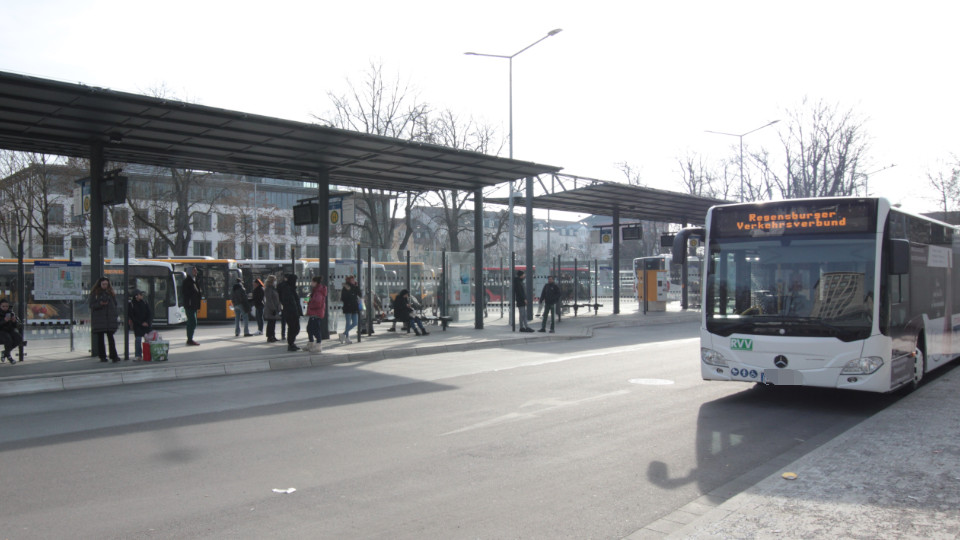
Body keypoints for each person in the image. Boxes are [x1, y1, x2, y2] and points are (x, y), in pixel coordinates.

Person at [89, 277, 120, 363]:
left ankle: (113, 355)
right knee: (101, 338)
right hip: (100, 319)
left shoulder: (110, 293)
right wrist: (100, 304)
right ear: (100, 284)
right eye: (103, 284)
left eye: (106, 284)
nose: (105, 286)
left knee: (111, 338)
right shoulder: (95, 293)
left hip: (109, 319)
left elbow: (115, 304)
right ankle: (102, 356)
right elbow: (91, 305)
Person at [278, 273, 302, 351]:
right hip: (291, 312)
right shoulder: (287, 289)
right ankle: (291, 343)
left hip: (292, 312)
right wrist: (296, 311)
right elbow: (291, 301)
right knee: (293, 328)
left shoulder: (290, 288)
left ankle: (291, 343)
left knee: (294, 328)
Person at [127, 289, 153, 360]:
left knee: (148, 340)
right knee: (138, 339)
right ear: (136, 296)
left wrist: (147, 322)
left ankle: (148, 354)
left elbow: (149, 313)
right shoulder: (131, 304)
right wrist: (141, 323)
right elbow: (132, 316)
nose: (142, 296)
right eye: (140, 294)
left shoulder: (144, 302)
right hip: (138, 325)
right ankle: (138, 355)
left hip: (146, 324)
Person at [305, 276, 328, 353]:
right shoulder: (315, 290)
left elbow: (317, 303)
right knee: (309, 329)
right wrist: (308, 300)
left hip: (316, 313)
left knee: (315, 329)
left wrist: (310, 303)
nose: (311, 283)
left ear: (315, 282)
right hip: (313, 313)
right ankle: (311, 343)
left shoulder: (318, 291)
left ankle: (318, 344)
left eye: (312, 281)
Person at [182, 265, 202, 346]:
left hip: (194, 305)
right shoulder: (187, 281)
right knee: (192, 322)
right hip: (190, 305)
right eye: (194, 270)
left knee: (193, 322)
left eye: (196, 270)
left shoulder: (195, 281)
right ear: (190, 272)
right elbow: (186, 293)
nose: (196, 272)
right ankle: (189, 339)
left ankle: (190, 338)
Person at [340, 275, 362, 344]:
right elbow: (343, 298)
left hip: (354, 307)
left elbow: (360, 294)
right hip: (348, 307)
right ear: (349, 281)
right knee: (348, 323)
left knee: (355, 322)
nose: (353, 281)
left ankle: (343, 334)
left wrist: (357, 287)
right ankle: (347, 337)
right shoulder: (345, 287)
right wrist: (350, 295)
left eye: (353, 280)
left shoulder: (355, 287)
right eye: (352, 280)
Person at [0, 298, 23, 364]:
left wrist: (14, 321)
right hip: (1, 331)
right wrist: (4, 320)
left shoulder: (11, 313)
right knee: (8, 339)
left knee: (18, 338)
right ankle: (9, 356)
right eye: (3, 306)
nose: (5, 308)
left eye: (6, 306)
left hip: (10, 330)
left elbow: (17, 325)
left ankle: (5, 353)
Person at [263, 275, 282, 343]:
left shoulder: (274, 288)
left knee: (273, 323)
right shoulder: (268, 289)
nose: (275, 281)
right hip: (271, 309)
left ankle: (273, 336)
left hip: (275, 308)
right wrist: (273, 308)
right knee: (271, 323)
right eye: (274, 280)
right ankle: (270, 336)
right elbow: (269, 300)